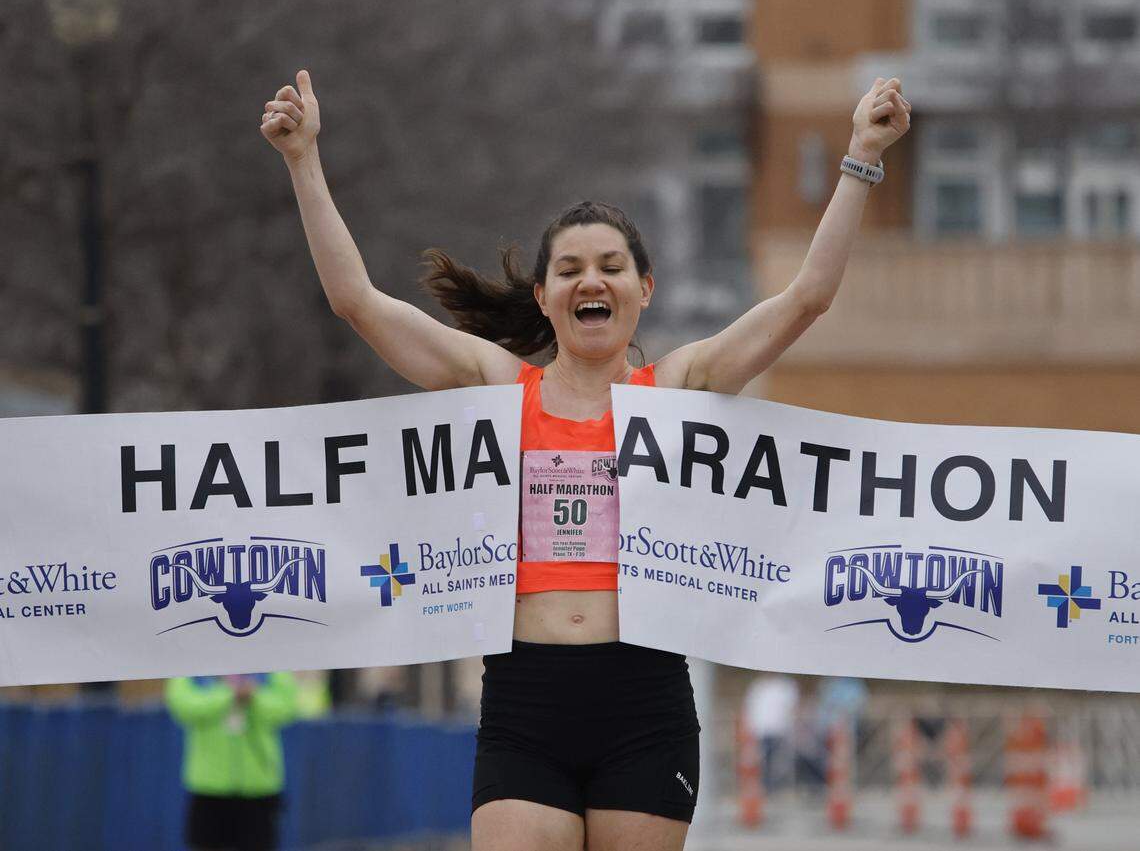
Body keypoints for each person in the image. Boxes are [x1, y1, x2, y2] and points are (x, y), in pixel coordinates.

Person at [260, 68, 909, 851]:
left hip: (644, 705)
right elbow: (356, 301)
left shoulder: (678, 388)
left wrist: (861, 156)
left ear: (644, 289)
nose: (589, 280)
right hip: (524, 703)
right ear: (543, 296)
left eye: (609, 266)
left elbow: (807, 296)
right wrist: (303, 161)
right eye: (568, 269)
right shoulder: (502, 389)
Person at [166, 673, 300, 851]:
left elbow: (287, 706)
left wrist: (253, 695)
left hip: (258, 786)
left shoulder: (270, 665)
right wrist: (228, 694)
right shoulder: (193, 665)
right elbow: (183, 705)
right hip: (209, 786)